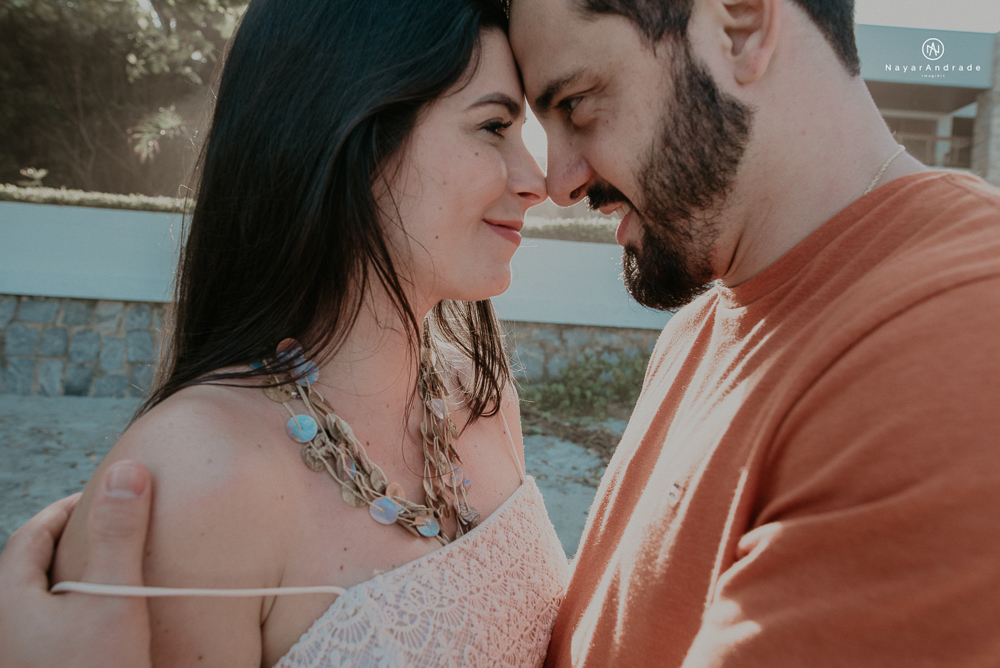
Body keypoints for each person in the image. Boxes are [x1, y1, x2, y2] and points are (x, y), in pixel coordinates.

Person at [10, 0, 569, 665]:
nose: (540, 182)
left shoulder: (482, 395)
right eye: (494, 124)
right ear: (353, 130)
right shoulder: (195, 477)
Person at [506, 0, 1000, 665]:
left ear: (740, 25)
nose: (558, 182)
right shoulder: (695, 332)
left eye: (577, 104)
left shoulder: (960, 340)